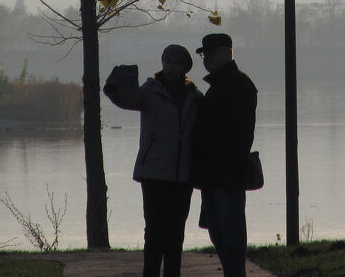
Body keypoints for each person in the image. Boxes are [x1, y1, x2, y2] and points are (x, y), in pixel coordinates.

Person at [104, 44, 201, 277]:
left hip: (182, 176)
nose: (170, 66)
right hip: (154, 174)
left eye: (176, 63)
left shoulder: (195, 97)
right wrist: (113, 87)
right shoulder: (149, 91)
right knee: (155, 231)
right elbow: (126, 99)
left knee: (176, 232)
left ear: (184, 68)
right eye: (167, 61)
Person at [192, 33, 258, 277]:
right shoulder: (219, 87)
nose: (206, 58)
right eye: (203, 54)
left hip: (227, 174)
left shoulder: (239, 85)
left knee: (229, 234)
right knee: (219, 233)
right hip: (212, 174)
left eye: (210, 53)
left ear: (227, 53)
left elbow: (240, 135)